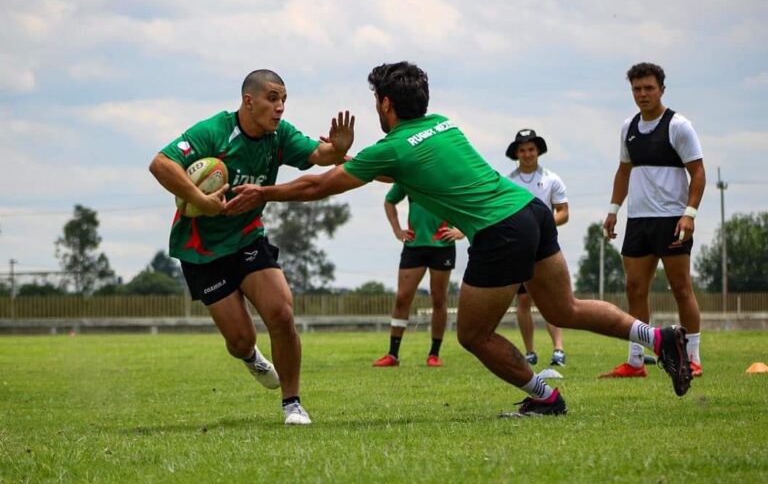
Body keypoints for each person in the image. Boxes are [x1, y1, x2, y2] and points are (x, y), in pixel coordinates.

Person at [224, 61, 693, 416]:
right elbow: (405, 167)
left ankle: (545, 397)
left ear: (385, 105)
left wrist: (264, 191)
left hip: (500, 231)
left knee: (472, 334)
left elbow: (318, 186)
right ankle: (659, 336)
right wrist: (344, 158)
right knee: (563, 309)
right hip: (531, 213)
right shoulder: (443, 123)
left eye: (376, 102)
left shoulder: (390, 146)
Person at [149, 69, 355, 425]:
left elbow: (320, 155)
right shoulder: (215, 131)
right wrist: (202, 199)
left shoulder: (280, 136)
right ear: (249, 100)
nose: (280, 108)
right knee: (240, 340)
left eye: (284, 100)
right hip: (203, 250)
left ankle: (293, 404)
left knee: (282, 312)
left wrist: (337, 148)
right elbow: (161, 163)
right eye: (272, 99)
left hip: (247, 237)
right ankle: (251, 357)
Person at [601, 62, 705, 379]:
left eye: (649, 88)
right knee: (634, 288)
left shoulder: (678, 126)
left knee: (680, 288)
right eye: (637, 88)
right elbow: (623, 171)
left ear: (661, 89)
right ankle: (635, 362)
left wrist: (689, 214)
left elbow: (698, 172)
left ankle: (692, 358)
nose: (643, 94)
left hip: (672, 219)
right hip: (639, 221)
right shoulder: (628, 127)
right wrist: (613, 209)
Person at [372, 182, 465, 368]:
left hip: (442, 246)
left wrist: (461, 231)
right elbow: (389, 201)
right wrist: (397, 230)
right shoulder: (408, 176)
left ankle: (434, 354)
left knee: (439, 299)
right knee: (402, 297)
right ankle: (393, 355)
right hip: (414, 246)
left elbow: (468, 202)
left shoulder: (448, 176)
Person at [505, 128, 568, 367]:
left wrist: (542, 223)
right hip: (519, 249)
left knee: (550, 300)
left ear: (538, 150)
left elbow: (563, 212)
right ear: (516, 153)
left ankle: (559, 349)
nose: (527, 154)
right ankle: (529, 351)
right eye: (523, 150)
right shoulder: (508, 181)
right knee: (523, 301)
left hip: (545, 247)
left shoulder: (552, 179)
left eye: (531, 149)